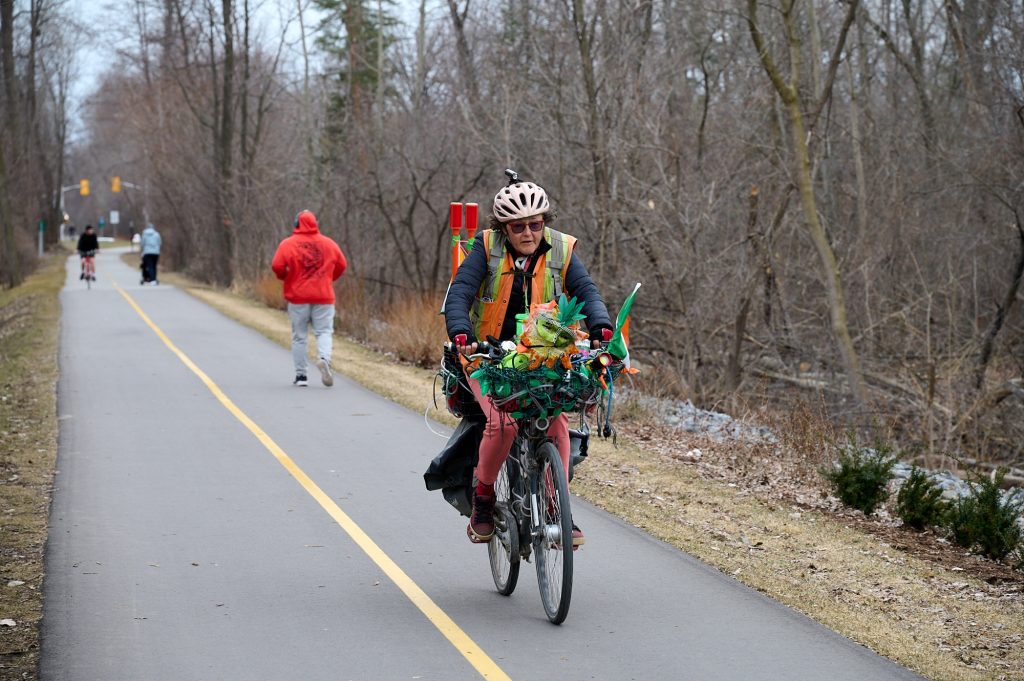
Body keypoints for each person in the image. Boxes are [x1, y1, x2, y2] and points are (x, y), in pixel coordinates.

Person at [443, 173, 613, 547]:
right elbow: (459, 294)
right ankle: (484, 500)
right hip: (487, 357)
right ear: (503, 228)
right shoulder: (484, 248)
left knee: (556, 420)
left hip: (543, 353)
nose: (527, 233)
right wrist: (461, 333)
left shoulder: (562, 250)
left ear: (544, 224)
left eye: (535, 225)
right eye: (517, 226)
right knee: (502, 423)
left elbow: (587, 291)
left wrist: (600, 324)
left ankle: (556, 507)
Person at [271, 210, 348, 387]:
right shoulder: (329, 244)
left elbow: (277, 266)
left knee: (299, 336)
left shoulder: (288, 244)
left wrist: (286, 277)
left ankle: (301, 376)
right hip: (324, 296)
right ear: (316, 224)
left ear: (296, 224)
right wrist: (329, 279)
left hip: (298, 296)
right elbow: (342, 265)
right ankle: (324, 359)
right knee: (324, 331)